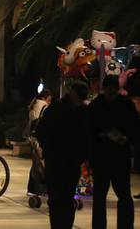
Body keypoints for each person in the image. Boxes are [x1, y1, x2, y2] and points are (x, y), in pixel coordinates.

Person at [88, 75, 140, 229]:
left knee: (122, 195)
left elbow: (135, 127)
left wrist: (127, 138)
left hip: (117, 156)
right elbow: (89, 130)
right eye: (109, 88)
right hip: (104, 157)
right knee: (101, 197)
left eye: (113, 88)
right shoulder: (97, 105)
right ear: (105, 89)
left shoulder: (124, 105)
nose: (111, 91)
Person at [37, 82, 90, 229]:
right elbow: (42, 132)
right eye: (79, 98)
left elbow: (87, 137)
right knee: (56, 200)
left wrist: (82, 156)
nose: (80, 102)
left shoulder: (82, 112)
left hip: (70, 163)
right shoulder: (56, 110)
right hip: (56, 162)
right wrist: (49, 151)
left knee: (65, 199)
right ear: (72, 94)